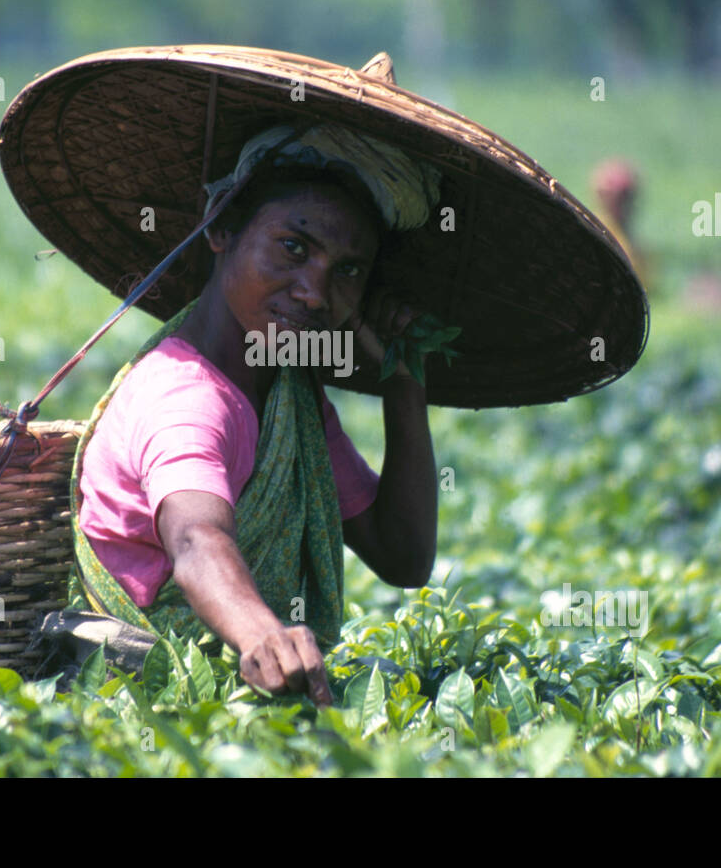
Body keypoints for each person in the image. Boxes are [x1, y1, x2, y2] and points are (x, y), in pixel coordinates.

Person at [65, 125, 444, 707]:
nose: (316, 294)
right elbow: (195, 538)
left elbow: (403, 556)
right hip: (136, 694)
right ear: (221, 226)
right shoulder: (184, 396)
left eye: (347, 271)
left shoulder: (290, 395)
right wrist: (262, 634)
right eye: (294, 248)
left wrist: (403, 384)